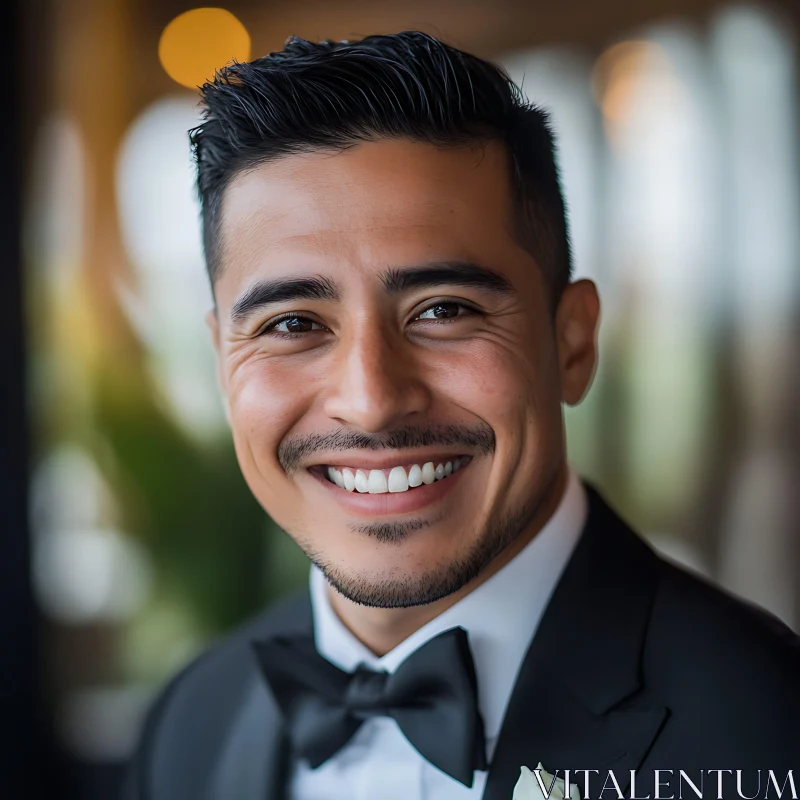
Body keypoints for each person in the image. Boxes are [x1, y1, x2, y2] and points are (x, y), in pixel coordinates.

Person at [124, 31, 800, 800]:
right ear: (222, 362)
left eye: (442, 310)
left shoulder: (771, 727)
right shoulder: (189, 722)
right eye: (292, 324)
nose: (372, 401)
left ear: (572, 343)